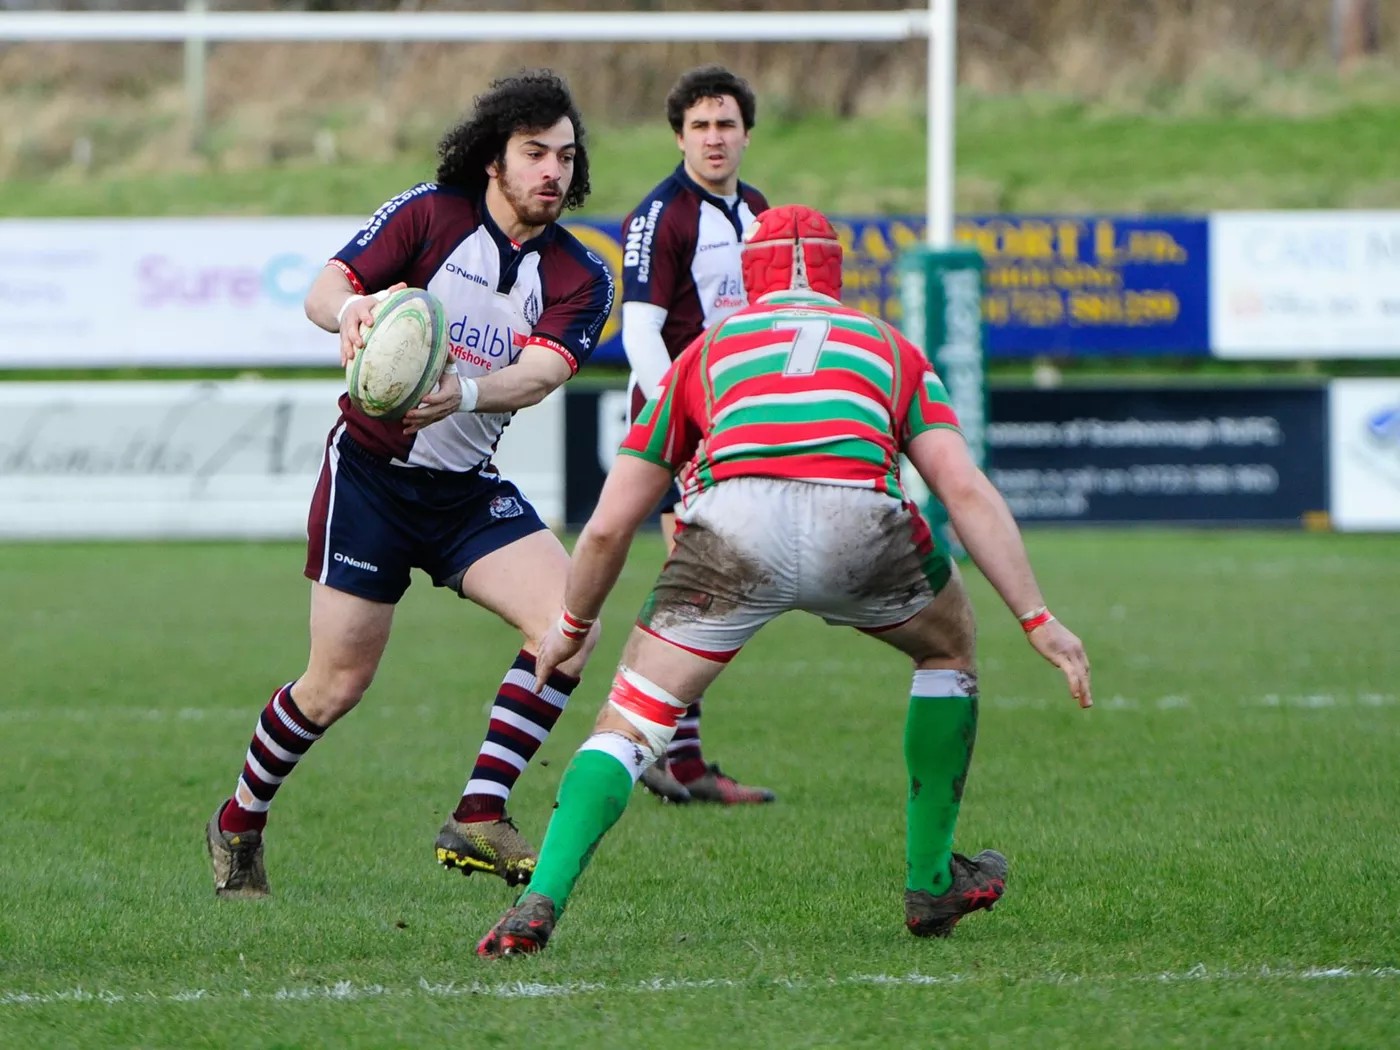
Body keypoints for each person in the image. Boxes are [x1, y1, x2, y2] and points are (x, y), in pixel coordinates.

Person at [475, 205, 1092, 958]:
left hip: (733, 526)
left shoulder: (706, 352)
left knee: (633, 720)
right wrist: (1037, 619)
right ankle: (933, 880)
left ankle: (539, 902)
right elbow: (963, 489)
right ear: (836, 275)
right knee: (948, 651)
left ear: (747, 280)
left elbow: (606, 526)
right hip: (860, 520)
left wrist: (570, 627)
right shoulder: (890, 348)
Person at [203, 70, 615, 899]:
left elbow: (536, 377)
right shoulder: (430, 213)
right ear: (493, 160)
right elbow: (327, 287)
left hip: (464, 489)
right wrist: (351, 314)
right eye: (535, 153)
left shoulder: (581, 275)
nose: (553, 173)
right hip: (370, 481)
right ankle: (240, 818)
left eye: (565, 157)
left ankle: (479, 812)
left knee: (569, 626)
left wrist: (461, 393)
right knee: (335, 686)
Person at [619, 64, 773, 805]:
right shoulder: (662, 215)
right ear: (679, 135)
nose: (715, 138)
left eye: (727, 125)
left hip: (737, 425)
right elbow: (641, 332)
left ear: (746, 133)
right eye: (701, 126)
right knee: (699, 586)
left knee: (706, 587)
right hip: (680, 423)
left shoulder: (759, 212)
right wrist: (688, 419)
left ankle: (675, 755)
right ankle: (661, 750)